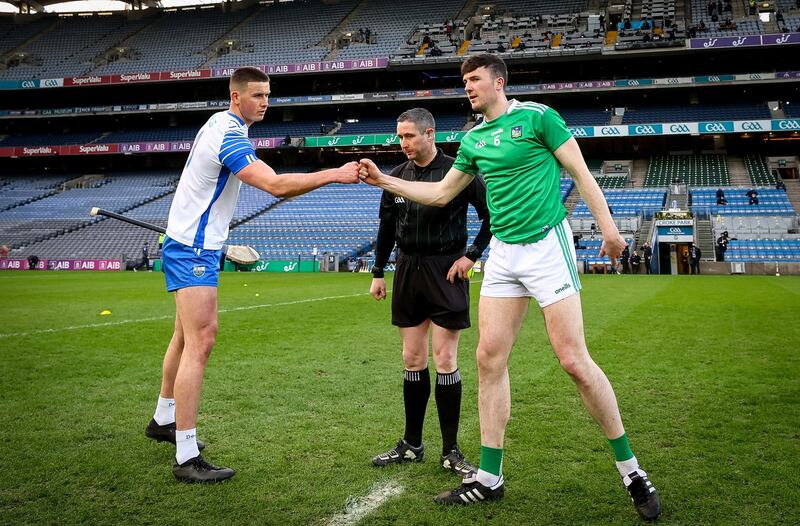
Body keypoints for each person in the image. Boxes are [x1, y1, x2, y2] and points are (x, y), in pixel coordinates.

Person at [358, 54, 660, 521]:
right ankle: (489, 477)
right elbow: (440, 193)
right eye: (464, 82)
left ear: (499, 82)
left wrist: (609, 229)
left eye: (474, 80)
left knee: (573, 361)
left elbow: (580, 172)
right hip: (503, 253)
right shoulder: (474, 139)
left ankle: (632, 470)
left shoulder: (538, 118)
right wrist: (385, 180)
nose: (468, 88)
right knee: (487, 358)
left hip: (546, 245)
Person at [144, 67, 358, 483]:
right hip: (193, 250)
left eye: (268, 95)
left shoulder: (222, 124)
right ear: (235, 95)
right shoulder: (230, 135)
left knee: (185, 336)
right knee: (201, 341)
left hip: (189, 243)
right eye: (257, 95)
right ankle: (186, 455)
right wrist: (334, 174)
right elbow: (275, 186)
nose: (265, 102)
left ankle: (163, 420)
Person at [369, 108, 491, 478]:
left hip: (447, 269)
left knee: (445, 358)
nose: (402, 143)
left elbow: (491, 215)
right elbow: (387, 228)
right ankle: (411, 444)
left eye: (409, 136)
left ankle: (451, 450)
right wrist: (378, 272)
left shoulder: (460, 170)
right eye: (399, 136)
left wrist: (471, 256)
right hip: (408, 268)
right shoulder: (396, 177)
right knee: (411, 358)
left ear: (429, 134)